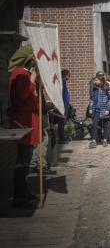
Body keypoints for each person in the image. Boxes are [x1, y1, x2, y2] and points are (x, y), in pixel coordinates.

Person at [7, 45, 41, 209]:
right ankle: (19, 197)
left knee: (26, 161)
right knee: (22, 162)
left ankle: (24, 192)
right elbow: (22, 95)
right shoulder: (20, 74)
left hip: (29, 120)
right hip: (23, 121)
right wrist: (33, 78)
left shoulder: (24, 74)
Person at [89, 72, 110, 148]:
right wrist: (90, 108)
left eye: (96, 80)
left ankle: (105, 140)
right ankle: (93, 141)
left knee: (106, 125)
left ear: (101, 80)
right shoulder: (94, 88)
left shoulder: (107, 88)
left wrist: (108, 109)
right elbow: (92, 99)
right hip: (96, 109)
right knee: (94, 125)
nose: (95, 81)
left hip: (105, 109)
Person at [57, 69, 71, 143]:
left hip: (65, 102)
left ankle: (62, 138)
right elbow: (62, 93)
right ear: (66, 74)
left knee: (63, 121)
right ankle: (61, 139)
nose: (69, 76)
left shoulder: (63, 81)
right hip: (64, 103)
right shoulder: (63, 81)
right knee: (62, 121)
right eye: (69, 74)